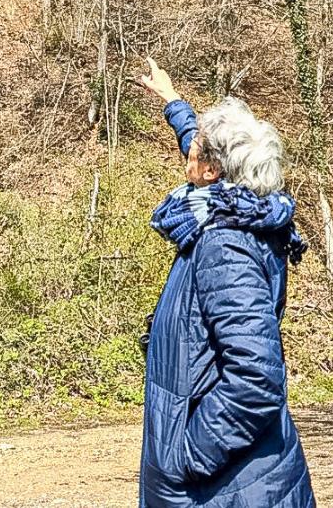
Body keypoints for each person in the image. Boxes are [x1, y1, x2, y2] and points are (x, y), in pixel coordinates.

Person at [137, 57, 315, 508]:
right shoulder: (244, 207)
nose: (188, 149)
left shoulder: (225, 244)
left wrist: (188, 455)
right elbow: (199, 146)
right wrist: (172, 99)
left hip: (230, 487)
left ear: (214, 171)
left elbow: (255, 379)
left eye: (196, 145)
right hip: (234, 480)